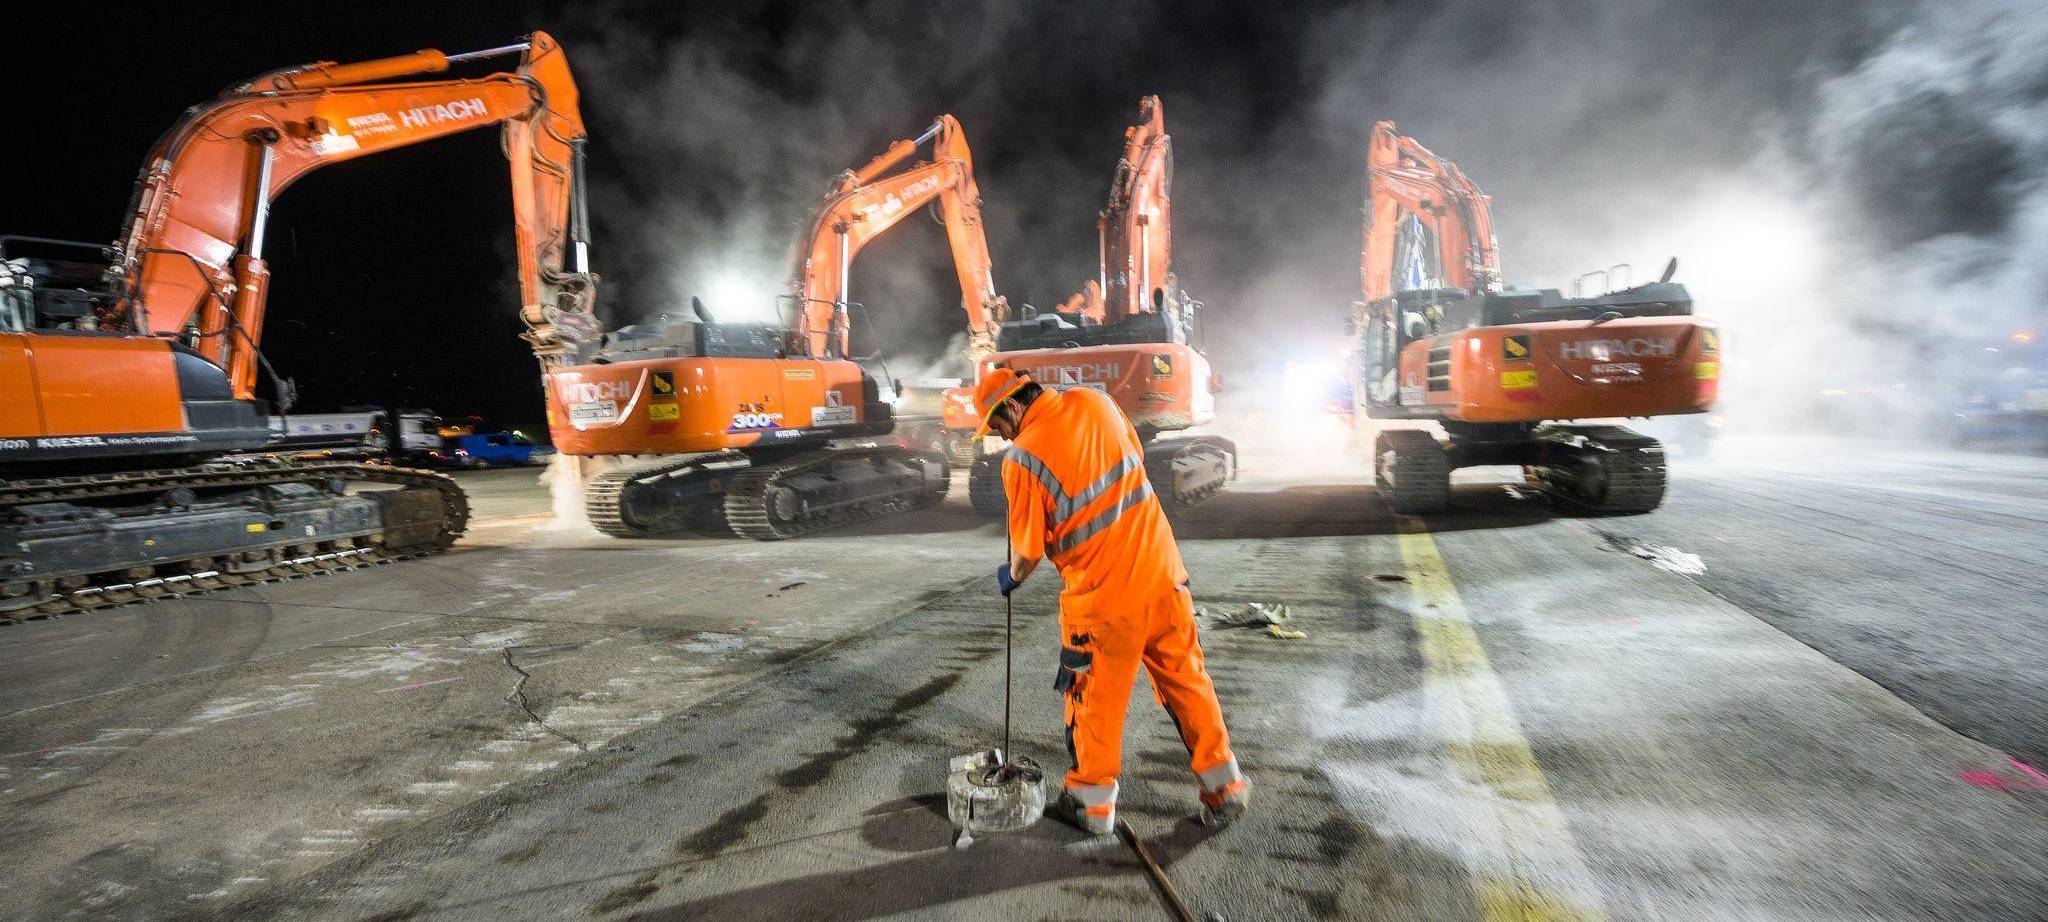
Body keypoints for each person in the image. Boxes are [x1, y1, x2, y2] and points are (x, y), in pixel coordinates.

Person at [973, 366, 1249, 836]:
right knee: (1188, 684)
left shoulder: (1022, 459)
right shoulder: (1095, 401)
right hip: (1164, 578)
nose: (1000, 437)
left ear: (1013, 407)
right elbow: (1132, 458)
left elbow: (1026, 553)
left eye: (998, 426)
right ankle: (1226, 788)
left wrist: (1010, 577)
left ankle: (1090, 805)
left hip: (1103, 604)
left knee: (1094, 704)